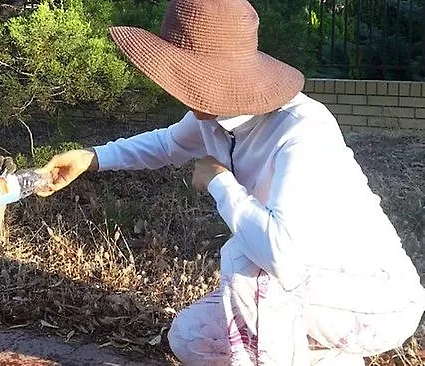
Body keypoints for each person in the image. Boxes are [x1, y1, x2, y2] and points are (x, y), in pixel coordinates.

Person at [35, 0, 425, 364]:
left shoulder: (302, 131)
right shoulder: (213, 115)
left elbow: (282, 257)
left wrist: (221, 183)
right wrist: (92, 158)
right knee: (190, 337)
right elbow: (168, 143)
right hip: (301, 290)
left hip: (377, 301)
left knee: (246, 264)